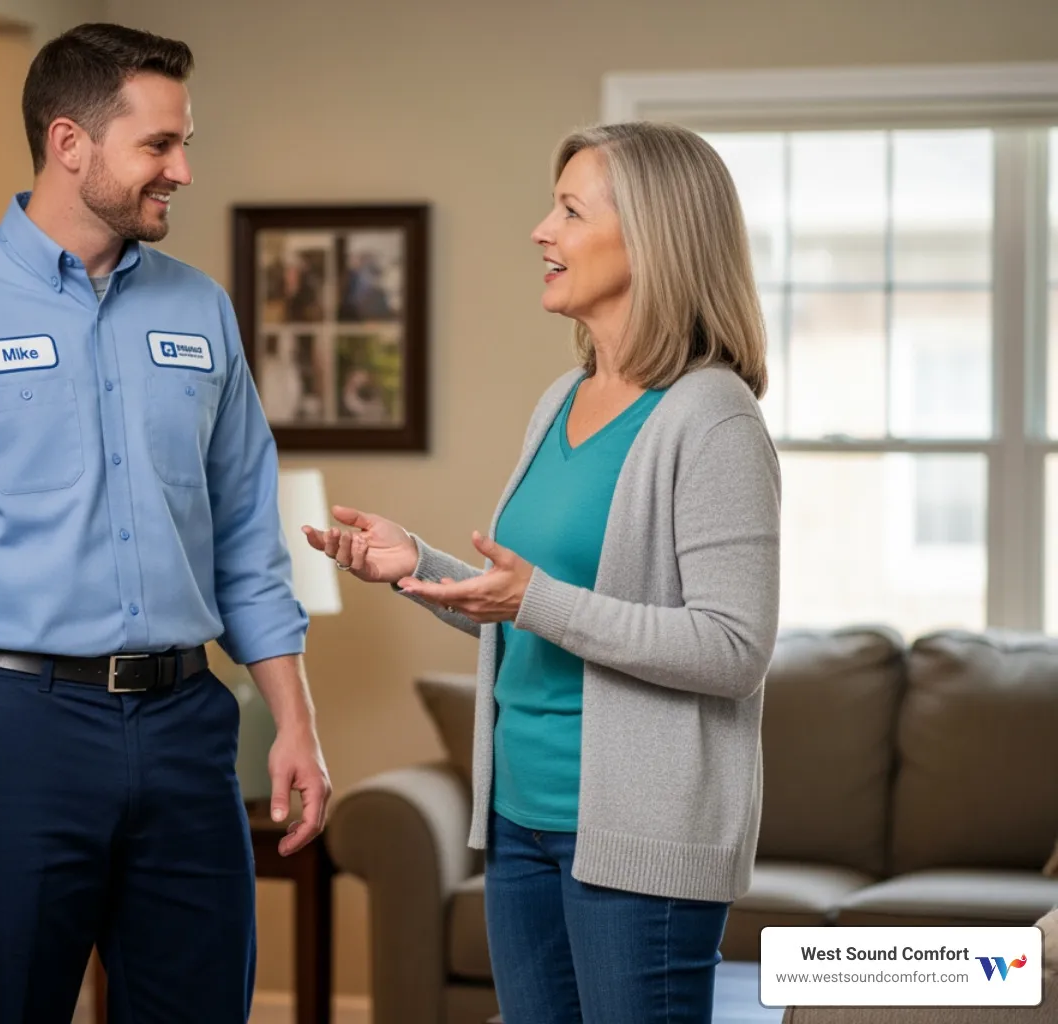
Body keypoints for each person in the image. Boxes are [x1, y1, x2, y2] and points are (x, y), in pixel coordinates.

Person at [0, 23, 331, 1024]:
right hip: (7, 731)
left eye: (183, 142)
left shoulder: (200, 310)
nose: (184, 169)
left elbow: (249, 535)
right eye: (159, 145)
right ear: (70, 142)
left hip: (184, 727)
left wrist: (294, 719)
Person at [304, 122, 780, 1024]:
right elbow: (530, 604)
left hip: (639, 846)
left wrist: (536, 599)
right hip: (520, 824)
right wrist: (421, 567)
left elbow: (734, 648)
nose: (540, 230)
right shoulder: (560, 399)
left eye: (569, 208)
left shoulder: (713, 420)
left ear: (652, 237)